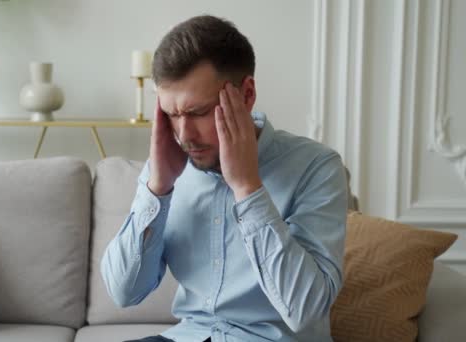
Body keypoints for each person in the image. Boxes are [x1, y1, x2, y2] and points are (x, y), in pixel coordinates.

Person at [101, 15, 348, 342]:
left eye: (198, 112)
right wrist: (157, 188)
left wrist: (247, 188)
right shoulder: (168, 168)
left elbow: (306, 310)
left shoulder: (317, 167)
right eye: (172, 115)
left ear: (246, 94)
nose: (184, 135)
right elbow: (123, 293)